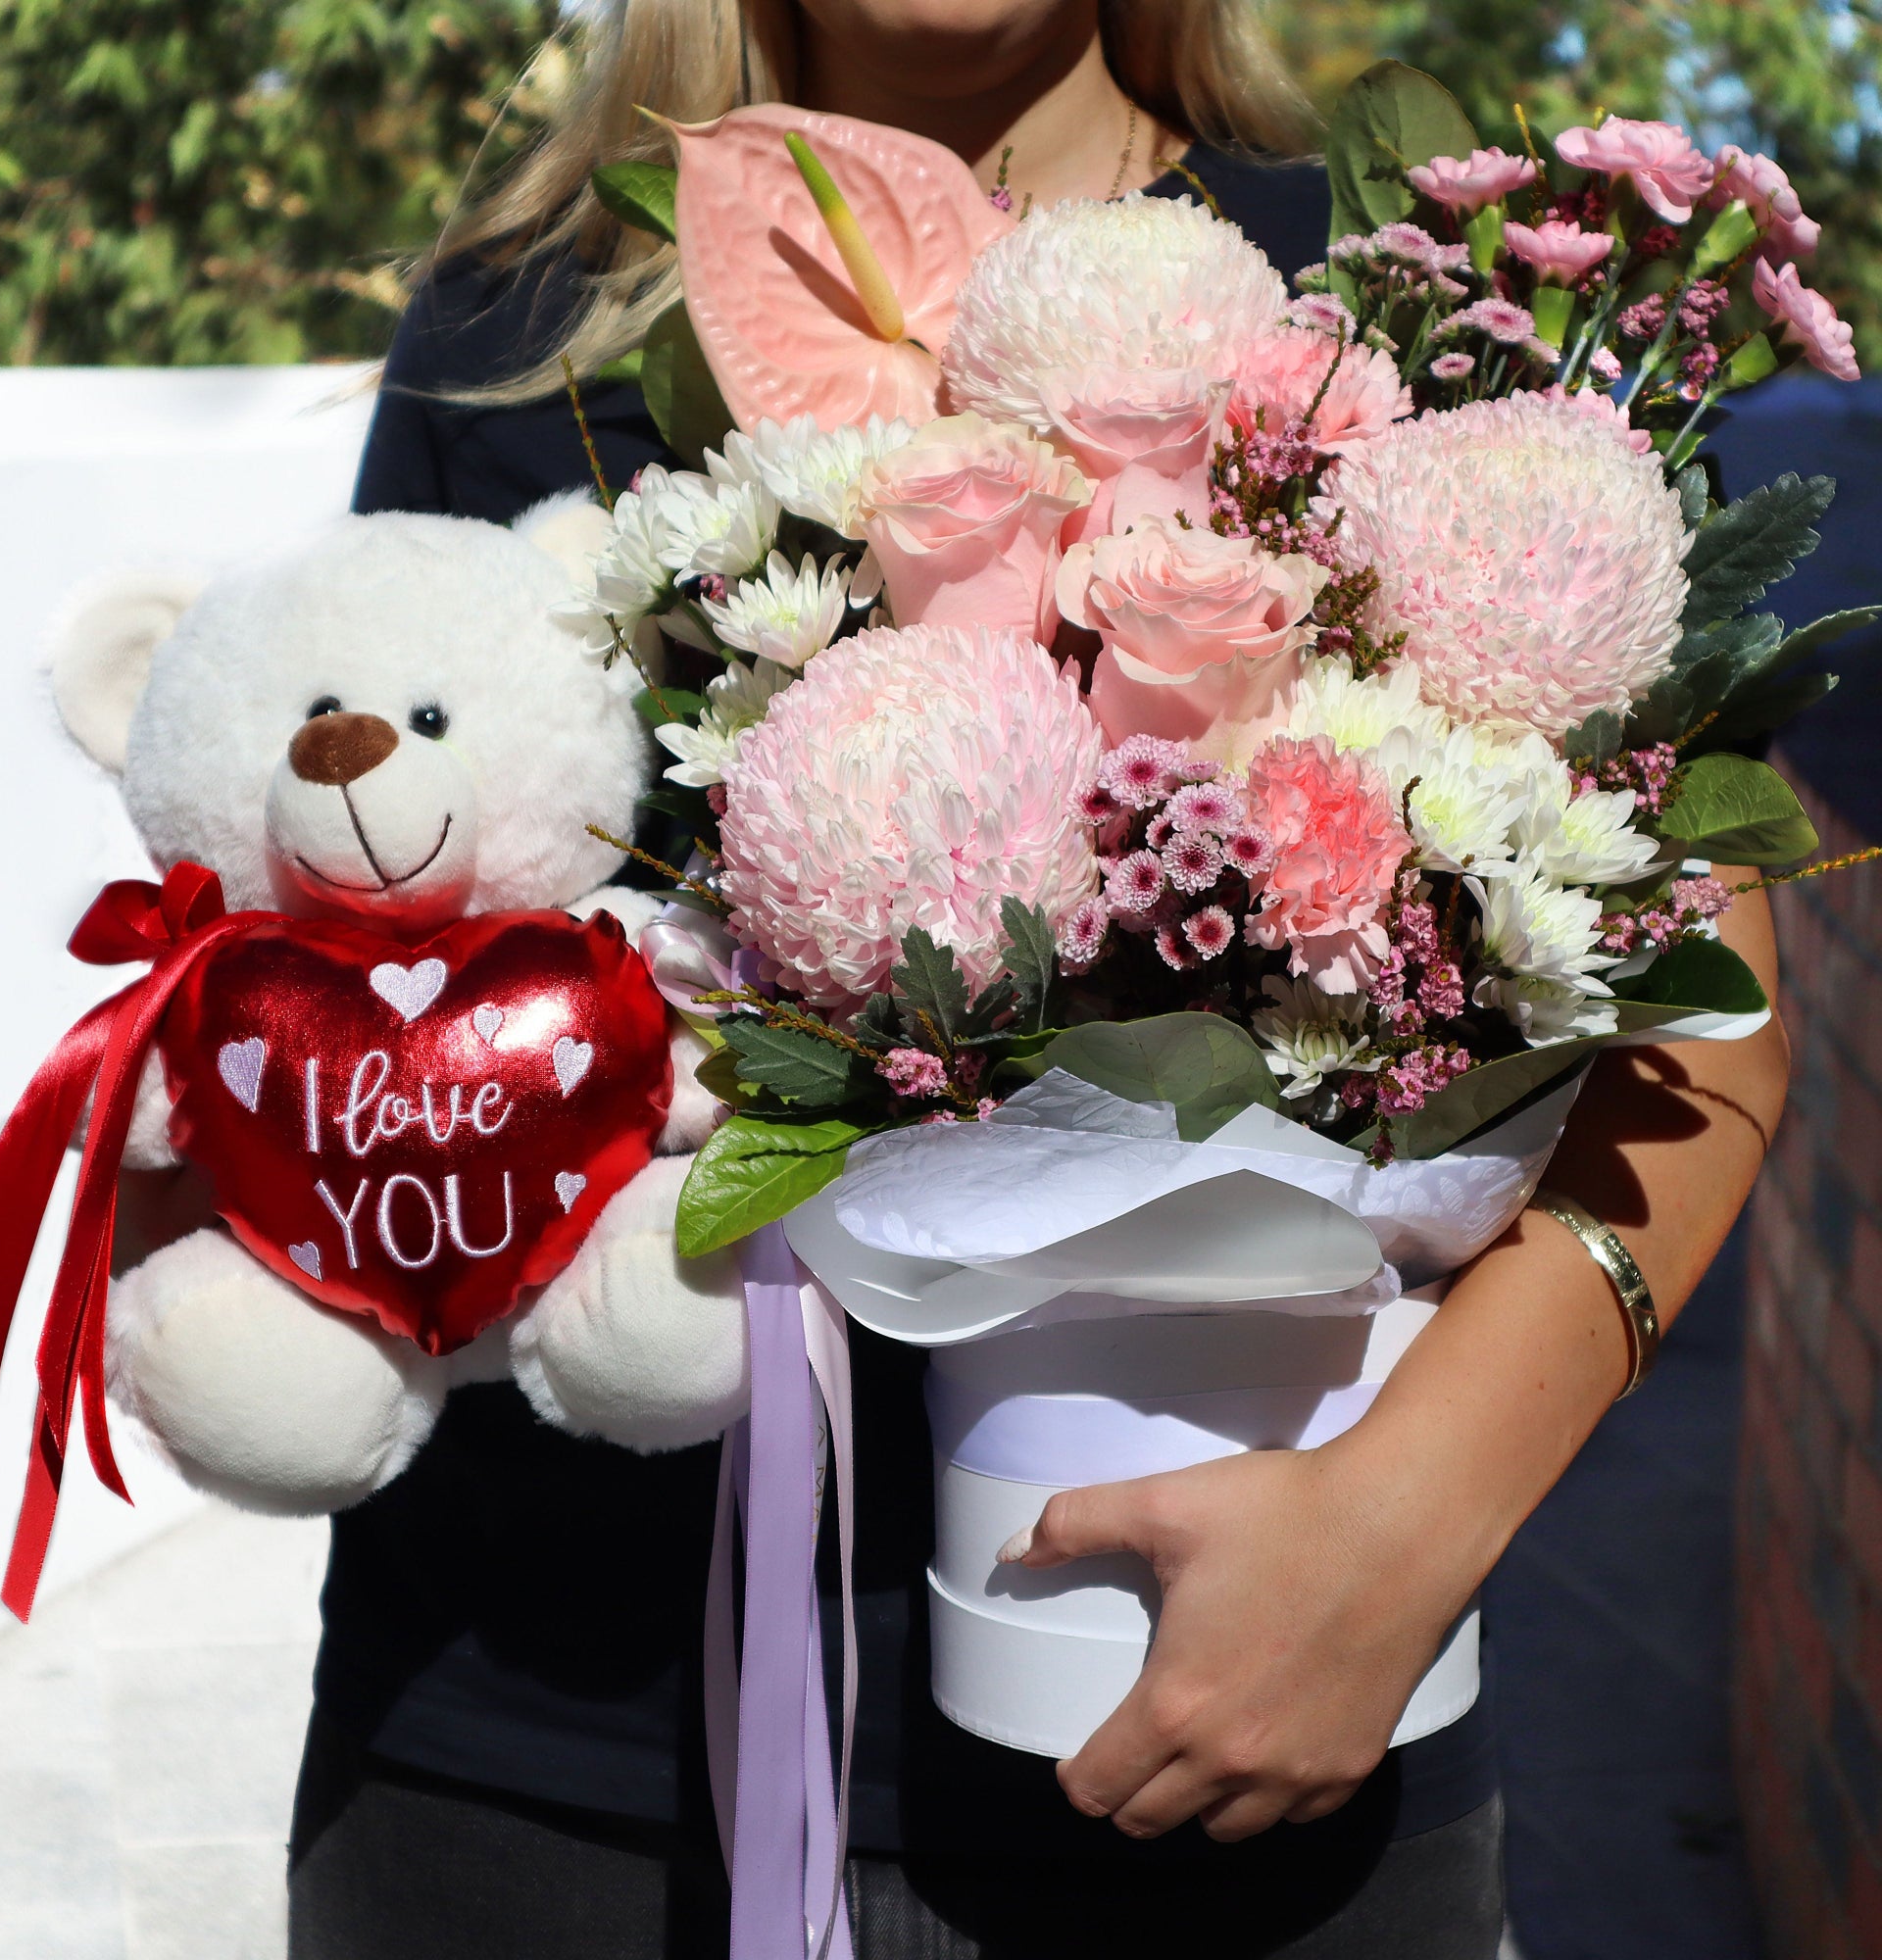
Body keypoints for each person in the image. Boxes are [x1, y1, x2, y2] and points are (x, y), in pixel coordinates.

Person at [284, 4, 1792, 1956]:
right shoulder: (515, 333)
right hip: (539, 1767)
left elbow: (1693, 971)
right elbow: (328, 939)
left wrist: (1408, 1521)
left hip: (1266, 1735)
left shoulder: (1390, 288)